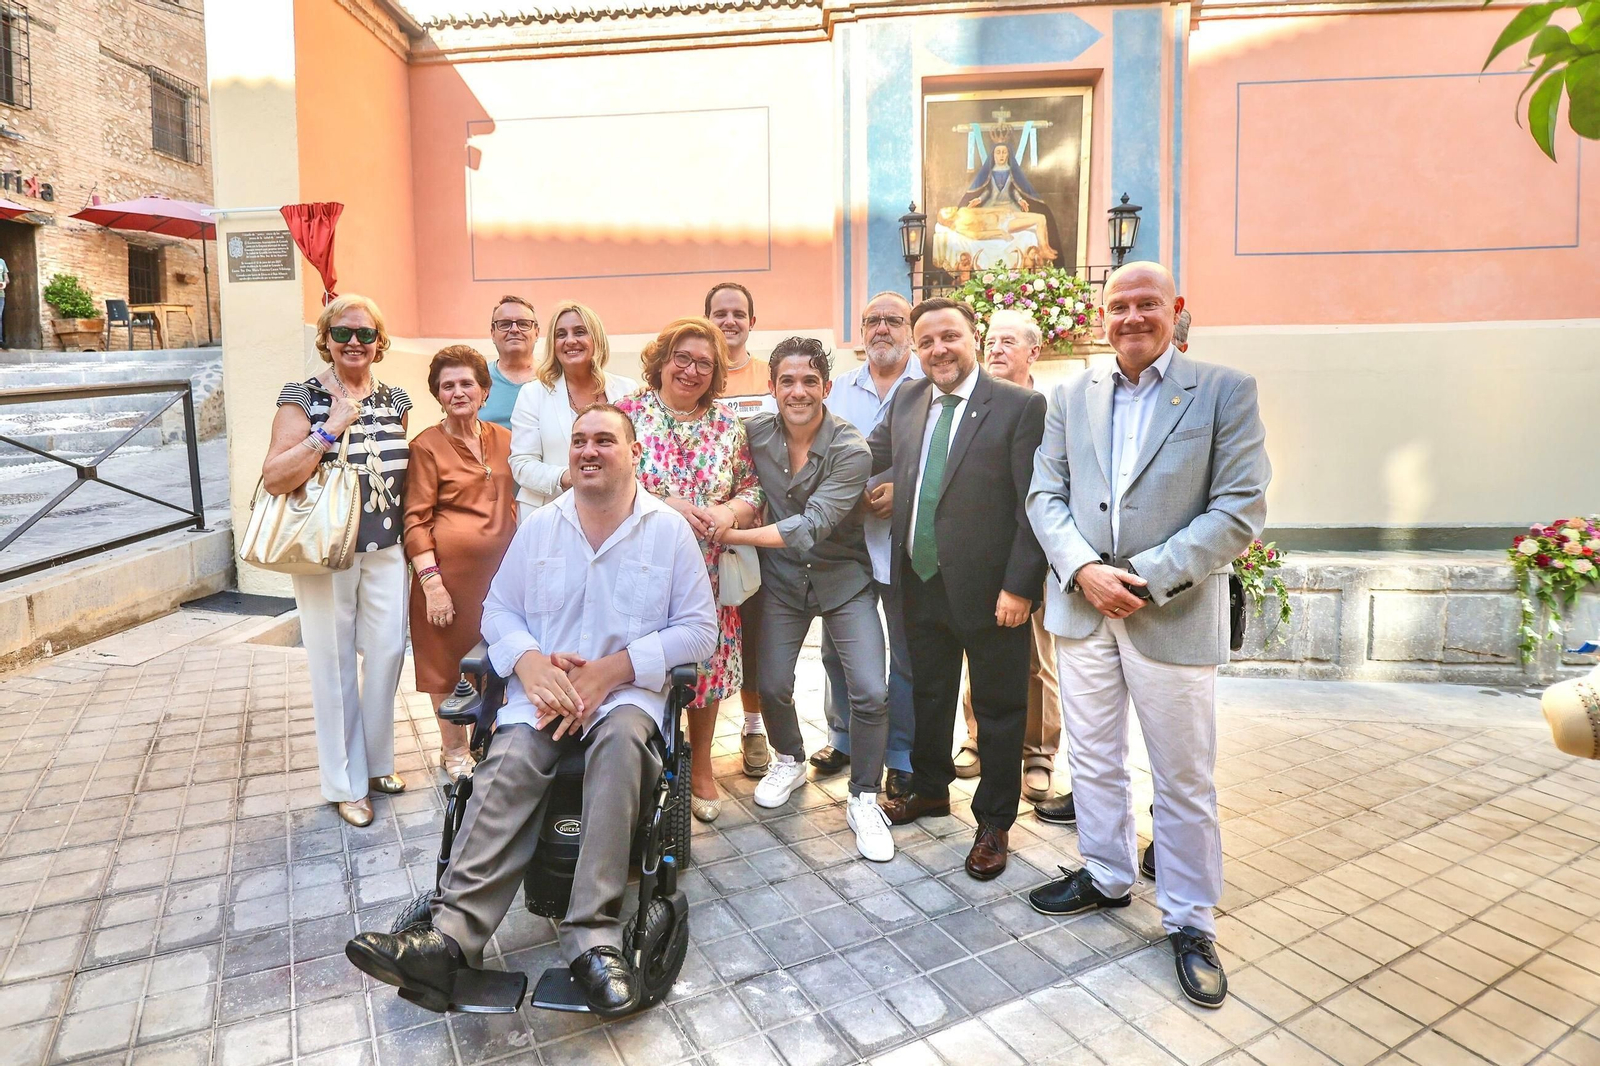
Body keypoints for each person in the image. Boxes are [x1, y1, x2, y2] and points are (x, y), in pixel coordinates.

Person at [345, 404, 718, 1018]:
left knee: (622, 742)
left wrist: (610, 671)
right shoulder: (541, 526)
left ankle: (592, 939)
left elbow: (699, 633)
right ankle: (450, 937)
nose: (589, 450)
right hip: (543, 694)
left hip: (622, 696)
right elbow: (498, 613)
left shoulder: (667, 531)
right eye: (579, 441)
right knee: (511, 754)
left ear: (634, 453)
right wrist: (530, 665)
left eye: (605, 439)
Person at [1025, 261, 1269, 1009]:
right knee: (1094, 758)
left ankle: (1191, 921)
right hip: (1083, 606)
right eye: (1119, 305)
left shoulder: (1225, 390)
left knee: (1183, 775)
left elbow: (1238, 509)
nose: (1132, 317)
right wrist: (1083, 570)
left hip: (1170, 610)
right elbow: (1046, 493)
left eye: (1146, 304)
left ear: (1176, 310)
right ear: (1103, 316)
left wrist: (1141, 576)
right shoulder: (1071, 397)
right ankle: (1104, 875)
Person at [868, 297, 1047, 881]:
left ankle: (994, 822)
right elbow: (869, 454)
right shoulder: (911, 398)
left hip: (992, 592)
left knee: (997, 708)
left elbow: (1033, 506)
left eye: (951, 337)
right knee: (929, 695)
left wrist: (1020, 587)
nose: (939, 349)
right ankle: (928, 790)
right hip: (918, 580)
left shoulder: (1020, 407)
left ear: (974, 337)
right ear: (916, 351)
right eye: (927, 342)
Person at [718, 337, 894, 861]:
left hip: (843, 580)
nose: (798, 391)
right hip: (782, 583)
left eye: (809, 381)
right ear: (771, 387)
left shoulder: (850, 448)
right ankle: (789, 758)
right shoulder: (753, 435)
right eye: (787, 381)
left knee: (869, 690)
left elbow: (810, 526)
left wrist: (727, 534)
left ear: (827, 387)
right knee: (770, 684)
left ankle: (864, 795)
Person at [261, 295, 412, 828]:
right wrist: (329, 430)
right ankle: (346, 782)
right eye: (343, 333)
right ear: (325, 338)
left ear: (379, 343)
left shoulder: (396, 399)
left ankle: (376, 763)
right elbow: (276, 476)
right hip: (327, 551)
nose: (354, 343)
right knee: (333, 662)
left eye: (365, 335)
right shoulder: (301, 396)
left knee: (390, 651)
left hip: (388, 548)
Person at [617, 318, 763, 822]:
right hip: (639, 569)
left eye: (705, 362)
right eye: (682, 357)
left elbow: (754, 490)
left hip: (709, 572)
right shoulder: (627, 413)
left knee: (706, 666)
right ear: (661, 360)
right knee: (643, 666)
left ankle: (701, 765)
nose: (691, 370)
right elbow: (605, 481)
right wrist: (663, 503)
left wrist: (729, 513)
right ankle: (640, 762)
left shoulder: (728, 426)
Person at [954, 308, 1063, 803]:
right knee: (981, 650)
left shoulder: (1050, 404)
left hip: (1035, 550)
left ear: (1033, 351)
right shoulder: (975, 402)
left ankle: (1037, 751)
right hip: (982, 555)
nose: (996, 349)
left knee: (1034, 656)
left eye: (1008, 342)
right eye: (991, 341)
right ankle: (977, 736)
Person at [816, 292, 922, 798]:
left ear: (909, 328)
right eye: (872, 320)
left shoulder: (929, 383)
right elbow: (817, 455)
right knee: (840, 652)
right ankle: (844, 738)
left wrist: (902, 488)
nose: (882, 328)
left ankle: (900, 755)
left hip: (907, 546)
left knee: (904, 654)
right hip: (846, 544)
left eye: (892, 320)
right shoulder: (837, 391)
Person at [403, 346, 518, 782]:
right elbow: (415, 520)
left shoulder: (505, 440)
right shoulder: (427, 447)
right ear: (437, 394)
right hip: (448, 580)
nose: (458, 392)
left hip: (501, 580)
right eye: (447, 385)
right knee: (447, 665)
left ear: (484, 390)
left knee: (498, 657)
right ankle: (453, 751)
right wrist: (432, 584)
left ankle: (487, 742)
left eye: (467, 382)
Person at [704, 281, 773, 778]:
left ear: (752, 320)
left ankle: (753, 726)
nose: (730, 321)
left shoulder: (770, 376)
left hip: (759, 526)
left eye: (738, 313)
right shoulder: (697, 373)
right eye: (720, 313)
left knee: (755, 633)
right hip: (704, 532)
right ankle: (690, 736)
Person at [508, 301, 639, 514]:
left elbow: (635, 456)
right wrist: (569, 477)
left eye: (580, 332)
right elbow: (521, 463)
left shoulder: (626, 390)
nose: (570, 341)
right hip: (549, 510)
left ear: (596, 339)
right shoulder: (533, 394)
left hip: (613, 512)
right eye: (561, 334)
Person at [476, 296, 540, 431]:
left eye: (523, 323)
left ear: (537, 332)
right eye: (504, 324)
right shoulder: (476, 380)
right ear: (493, 333)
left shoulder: (554, 377)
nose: (514, 330)